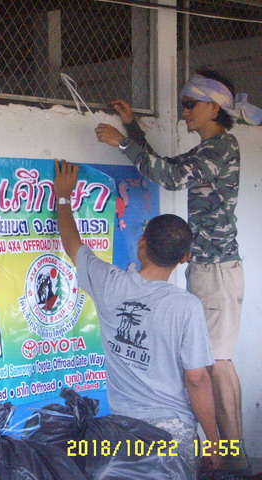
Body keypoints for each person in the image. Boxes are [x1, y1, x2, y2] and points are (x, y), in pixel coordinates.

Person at [94, 69, 261, 473]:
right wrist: (133, 127)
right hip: (207, 266)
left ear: (214, 108)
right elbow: (167, 166)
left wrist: (122, 143)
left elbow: (169, 177)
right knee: (213, 362)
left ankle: (233, 460)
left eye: (189, 104)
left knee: (217, 363)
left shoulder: (220, 148)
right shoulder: (210, 149)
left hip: (215, 269)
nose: (184, 111)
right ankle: (229, 457)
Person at [54, 159, 221, 478]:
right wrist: (215, 443)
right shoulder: (186, 306)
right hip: (173, 434)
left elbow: (73, 245)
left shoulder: (110, 283)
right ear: (185, 258)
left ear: (142, 243)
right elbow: (197, 379)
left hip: (121, 433)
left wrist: (63, 197)